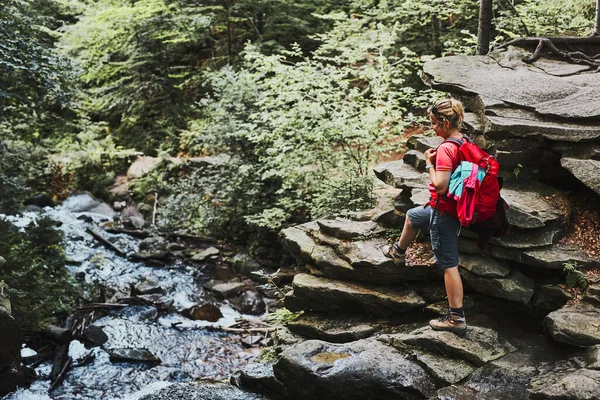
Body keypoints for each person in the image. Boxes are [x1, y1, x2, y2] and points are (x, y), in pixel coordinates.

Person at [382, 98, 467, 335]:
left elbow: (440, 185)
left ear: (446, 121)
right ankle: (398, 251)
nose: (431, 127)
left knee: (449, 265)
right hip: (448, 206)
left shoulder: (446, 149)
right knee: (413, 215)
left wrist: (429, 163)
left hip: (445, 212)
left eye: (433, 123)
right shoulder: (463, 140)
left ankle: (456, 318)